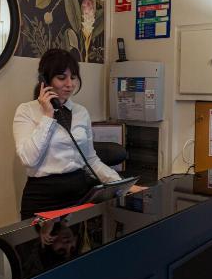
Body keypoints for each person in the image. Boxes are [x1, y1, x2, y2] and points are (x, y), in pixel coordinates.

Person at [13, 48, 143, 219]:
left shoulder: (81, 112)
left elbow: (91, 160)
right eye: (62, 78)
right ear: (44, 79)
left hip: (79, 196)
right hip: (43, 198)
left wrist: (123, 185)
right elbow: (28, 159)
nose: (70, 84)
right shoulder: (26, 111)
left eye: (73, 77)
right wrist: (47, 117)